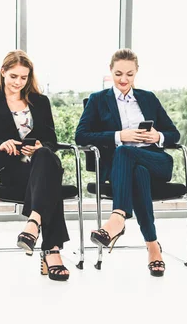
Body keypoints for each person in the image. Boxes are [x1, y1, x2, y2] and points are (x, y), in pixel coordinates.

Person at [75, 48, 180, 277]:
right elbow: (80, 136)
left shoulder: (148, 98)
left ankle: (117, 219)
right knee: (135, 169)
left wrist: (158, 136)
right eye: (119, 73)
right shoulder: (97, 100)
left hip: (157, 162)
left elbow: (174, 134)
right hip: (125, 169)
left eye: (130, 74)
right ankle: (153, 247)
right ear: (110, 70)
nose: (124, 80)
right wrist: (119, 135)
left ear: (137, 72)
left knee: (127, 155)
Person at [0, 50, 70, 281]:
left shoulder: (40, 101)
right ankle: (51, 251)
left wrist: (38, 147)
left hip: (39, 162)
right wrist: (0, 144)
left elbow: (51, 141)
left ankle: (33, 223)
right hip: (10, 167)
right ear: (3, 72)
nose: (18, 82)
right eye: (14, 76)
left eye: (23, 78)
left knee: (45, 155)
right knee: (50, 182)